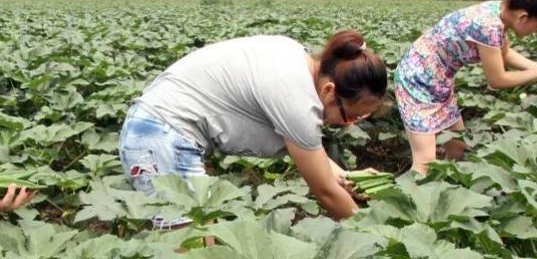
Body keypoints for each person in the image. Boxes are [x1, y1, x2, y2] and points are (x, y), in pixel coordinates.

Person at [118, 30, 387, 225]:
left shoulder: (294, 56)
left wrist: (350, 180)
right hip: (161, 137)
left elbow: (312, 152)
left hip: (154, 128)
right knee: (194, 241)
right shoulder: (297, 100)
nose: (350, 125)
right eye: (350, 117)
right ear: (329, 92)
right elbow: (326, 192)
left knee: (197, 238)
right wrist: (372, 232)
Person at [394, 0, 537, 174]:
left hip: (439, 81)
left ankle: (443, 191)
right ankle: (412, 200)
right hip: (417, 81)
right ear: (522, 17)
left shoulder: (499, 11)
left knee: (457, 146)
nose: (536, 32)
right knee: (425, 162)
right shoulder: (489, 26)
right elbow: (497, 80)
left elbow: (504, 53)